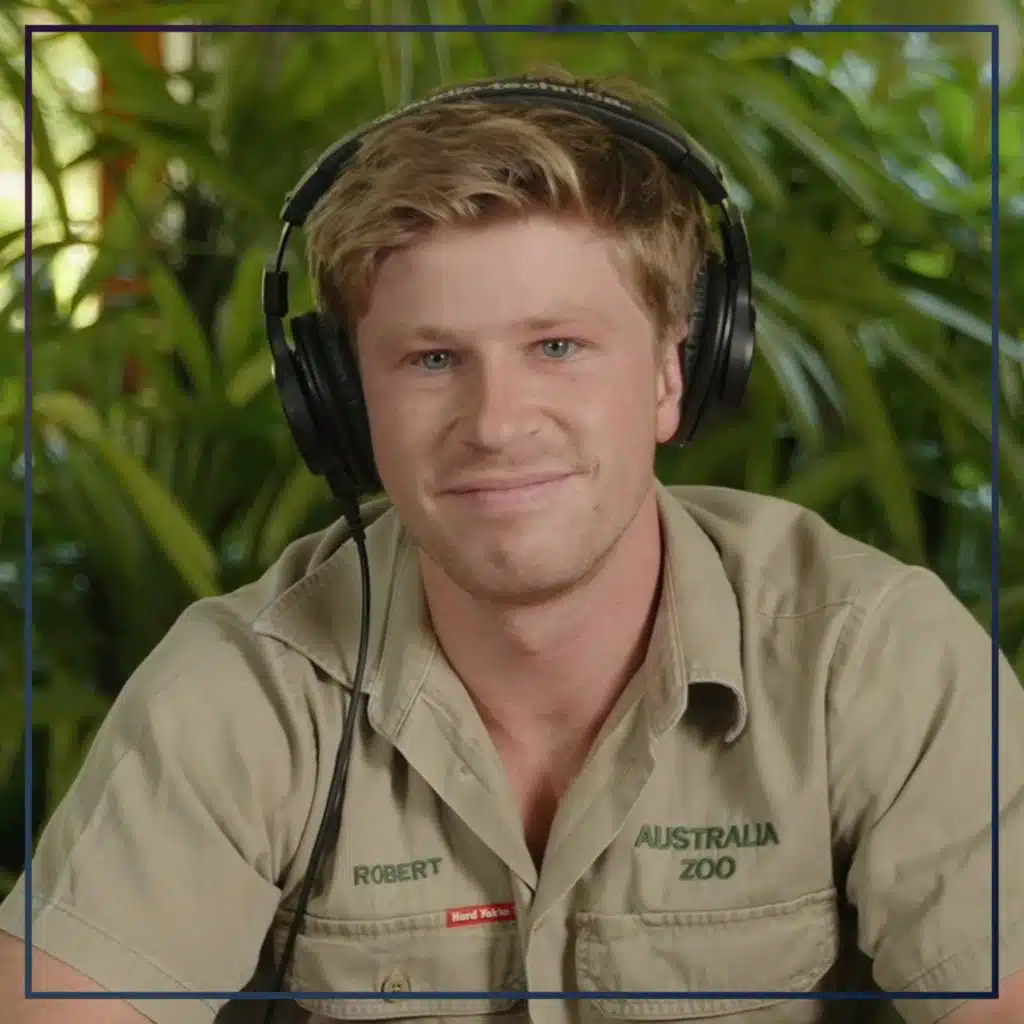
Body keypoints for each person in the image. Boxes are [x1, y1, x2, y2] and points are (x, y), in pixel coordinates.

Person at [1, 66, 1022, 1024]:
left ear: (673, 375)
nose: (495, 423)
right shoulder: (246, 690)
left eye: (558, 346)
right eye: (432, 358)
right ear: (345, 403)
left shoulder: (870, 657)